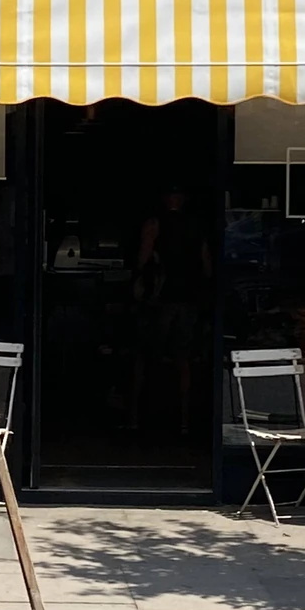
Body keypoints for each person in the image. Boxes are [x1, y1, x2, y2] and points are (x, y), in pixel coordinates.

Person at [129, 184, 212, 432]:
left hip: (161, 299)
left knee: (145, 355)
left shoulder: (154, 223)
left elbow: (141, 259)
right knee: (183, 359)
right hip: (188, 298)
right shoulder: (197, 226)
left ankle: (139, 417)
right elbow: (207, 266)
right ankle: (183, 420)